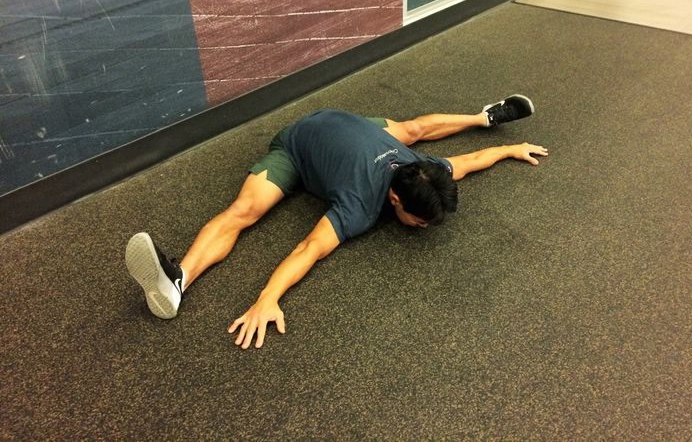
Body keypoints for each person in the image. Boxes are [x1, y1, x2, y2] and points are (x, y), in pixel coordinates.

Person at [125, 95, 548, 349]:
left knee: (413, 129)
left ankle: (483, 116)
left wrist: (510, 149)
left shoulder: (422, 169)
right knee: (245, 212)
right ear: (395, 199)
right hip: (297, 144)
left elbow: (470, 161)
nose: (421, 228)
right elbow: (308, 249)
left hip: (349, 126)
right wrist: (268, 298)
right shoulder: (359, 205)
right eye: (418, 222)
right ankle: (177, 280)